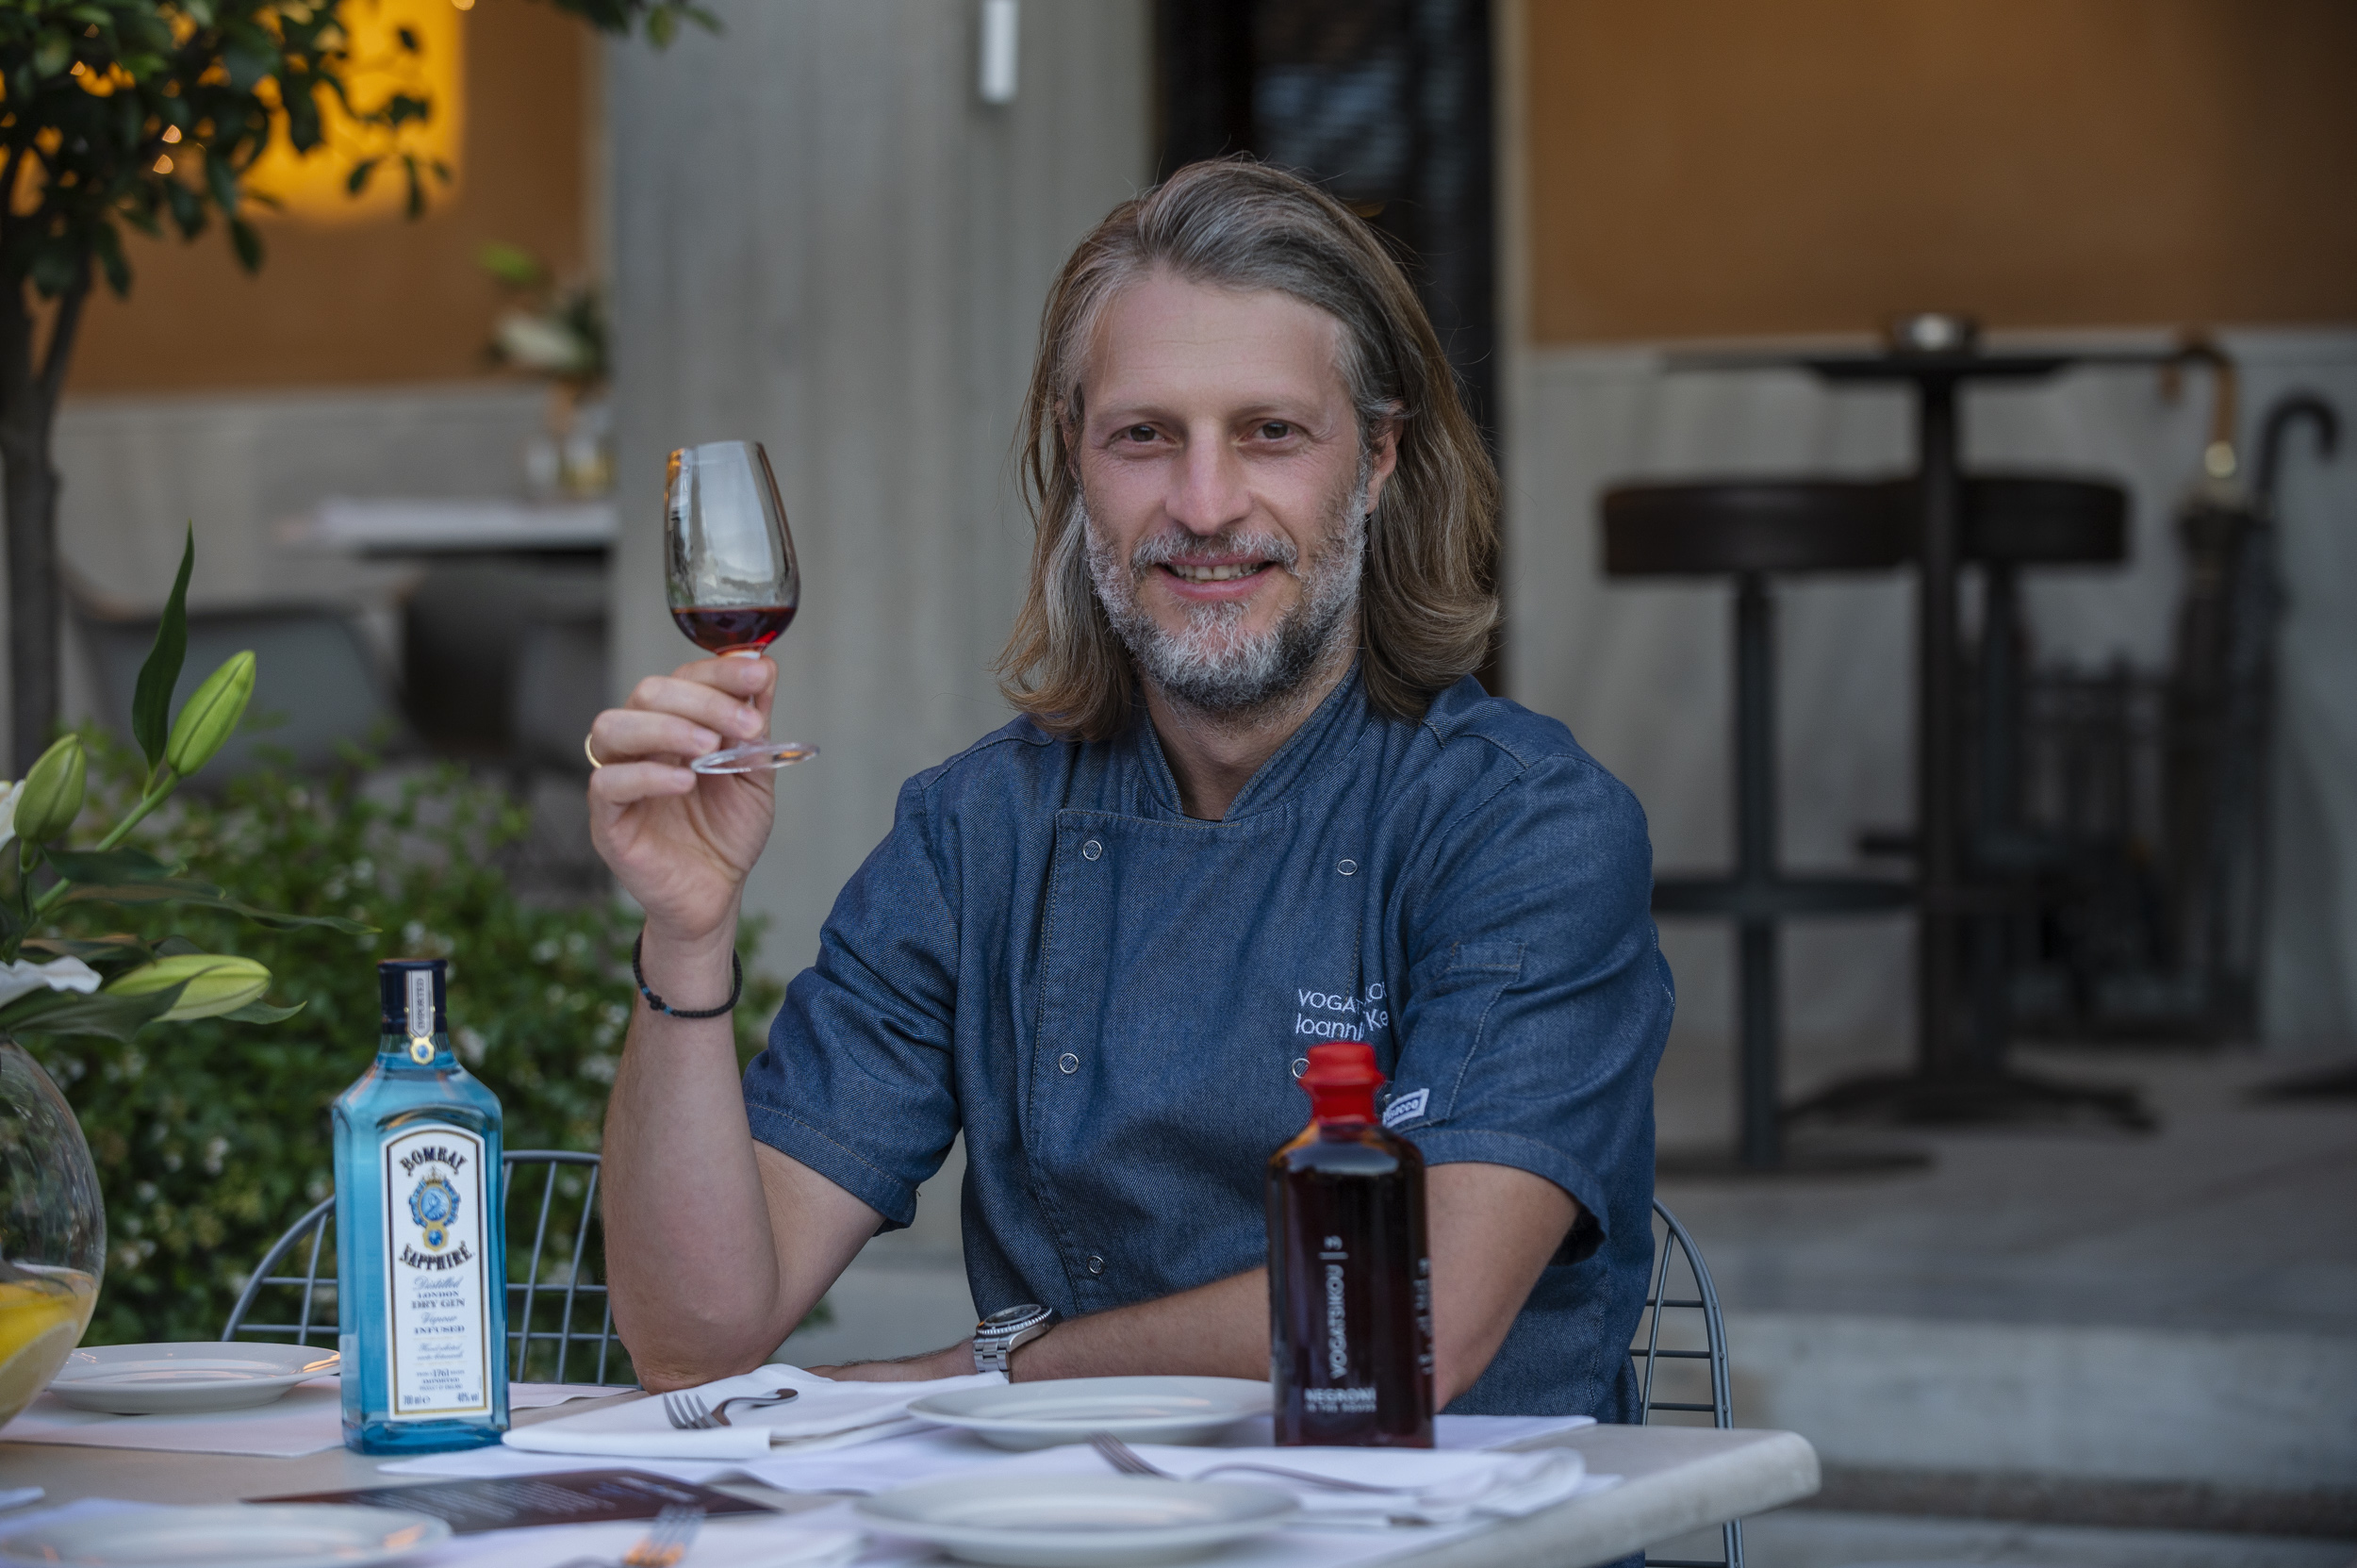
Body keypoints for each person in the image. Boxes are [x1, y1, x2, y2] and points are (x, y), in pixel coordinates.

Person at [585, 158, 1672, 1420]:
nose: (1204, 506)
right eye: (1144, 436)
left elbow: (1405, 1313)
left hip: (1449, 1517)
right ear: (1077, 460)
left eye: (1271, 433)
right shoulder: (976, 835)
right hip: (1070, 1515)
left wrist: (988, 1376)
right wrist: (688, 933)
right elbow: (693, 1343)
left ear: (1377, 457)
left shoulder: (1524, 826)